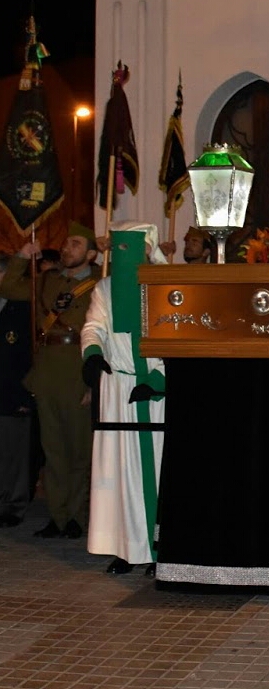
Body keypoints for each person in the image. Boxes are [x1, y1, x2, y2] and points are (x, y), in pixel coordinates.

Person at [0, 221, 101, 538]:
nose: (67, 248)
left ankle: (76, 517)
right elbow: (8, 288)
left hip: (77, 372)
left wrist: (93, 382)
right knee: (53, 450)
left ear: (92, 254)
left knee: (79, 451)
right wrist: (22, 256)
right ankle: (57, 517)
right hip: (46, 373)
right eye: (67, 242)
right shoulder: (46, 280)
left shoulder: (100, 285)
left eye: (76, 244)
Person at [81, 222, 168, 575]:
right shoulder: (104, 288)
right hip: (117, 389)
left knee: (158, 471)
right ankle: (126, 548)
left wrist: (158, 379)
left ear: (147, 250)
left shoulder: (167, 288)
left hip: (155, 393)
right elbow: (94, 326)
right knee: (119, 472)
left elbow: (178, 342)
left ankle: (160, 549)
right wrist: (93, 354)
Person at [0, 252, 34, 527]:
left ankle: (13, 505)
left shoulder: (22, 308)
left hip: (14, 390)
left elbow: (28, 354)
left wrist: (25, 393)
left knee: (14, 453)